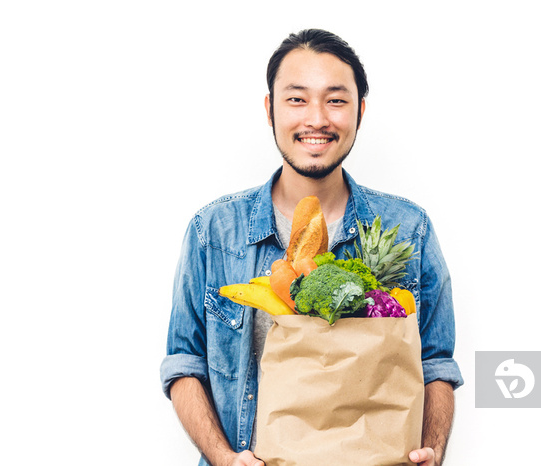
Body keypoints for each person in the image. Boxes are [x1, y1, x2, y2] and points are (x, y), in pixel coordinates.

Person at [160, 29, 464, 466]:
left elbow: (435, 365)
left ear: (359, 110)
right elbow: (183, 364)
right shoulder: (215, 230)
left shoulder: (407, 228)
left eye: (336, 100)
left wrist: (432, 450)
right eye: (297, 99)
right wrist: (224, 458)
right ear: (270, 109)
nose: (317, 118)